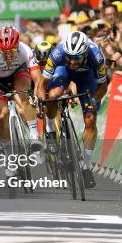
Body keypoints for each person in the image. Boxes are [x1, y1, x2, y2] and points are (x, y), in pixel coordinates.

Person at [37, 31, 107, 189]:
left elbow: (103, 87)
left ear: (85, 52)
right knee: (53, 94)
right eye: (69, 57)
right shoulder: (58, 54)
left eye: (76, 58)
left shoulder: (97, 56)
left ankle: (86, 166)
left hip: (87, 77)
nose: (72, 61)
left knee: (90, 118)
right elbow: (42, 83)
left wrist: (94, 100)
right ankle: (50, 130)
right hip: (63, 72)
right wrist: (42, 102)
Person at [0, 26, 42, 176]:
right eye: (5, 52)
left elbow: (37, 77)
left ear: (17, 46)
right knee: (2, 114)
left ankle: (35, 136)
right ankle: (7, 150)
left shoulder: (25, 50)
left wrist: (37, 93)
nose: (9, 55)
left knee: (23, 97)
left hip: (18, 74)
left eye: (12, 51)